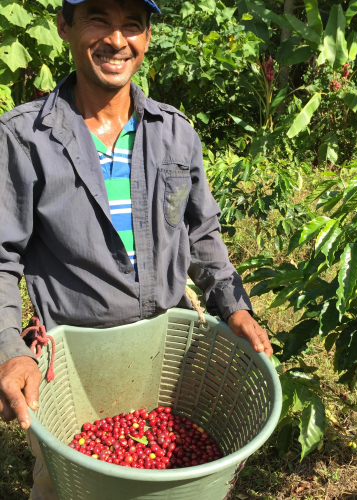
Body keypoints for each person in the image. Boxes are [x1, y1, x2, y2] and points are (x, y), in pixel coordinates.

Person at [0, 0, 272, 497]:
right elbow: (1, 257)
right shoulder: (23, 139)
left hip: (163, 357)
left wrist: (232, 305)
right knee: (66, 486)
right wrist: (8, 350)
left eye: (133, 24)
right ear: (65, 26)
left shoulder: (174, 133)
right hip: (74, 369)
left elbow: (201, 232)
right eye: (99, 19)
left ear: (147, 37)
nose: (117, 39)